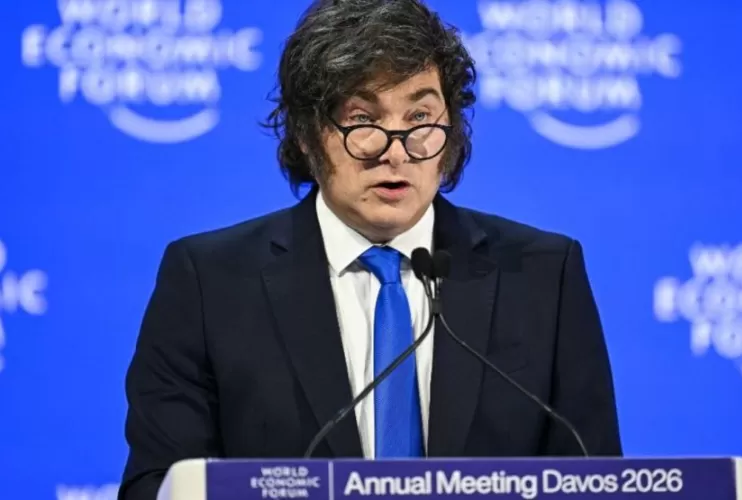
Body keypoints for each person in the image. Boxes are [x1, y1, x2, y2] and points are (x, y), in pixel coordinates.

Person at [118, 0, 622, 498]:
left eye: (420, 117)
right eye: (363, 119)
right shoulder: (210, 283)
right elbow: (157, 485)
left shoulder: (542, 276)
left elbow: (595, 483)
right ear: (307, 134)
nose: (396, 150)